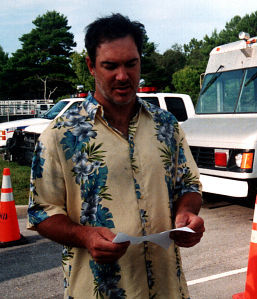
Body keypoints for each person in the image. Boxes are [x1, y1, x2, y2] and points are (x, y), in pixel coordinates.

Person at [27, 13, 204, 298]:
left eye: (131, 64)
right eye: (110, 66)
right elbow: (41, 211)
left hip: (167, 287)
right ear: (91, 66)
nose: (122, 76)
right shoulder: (60, 135)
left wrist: (186, 212)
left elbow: (189, 185)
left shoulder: (167, 126)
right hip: (96, 290)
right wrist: (83, 235)